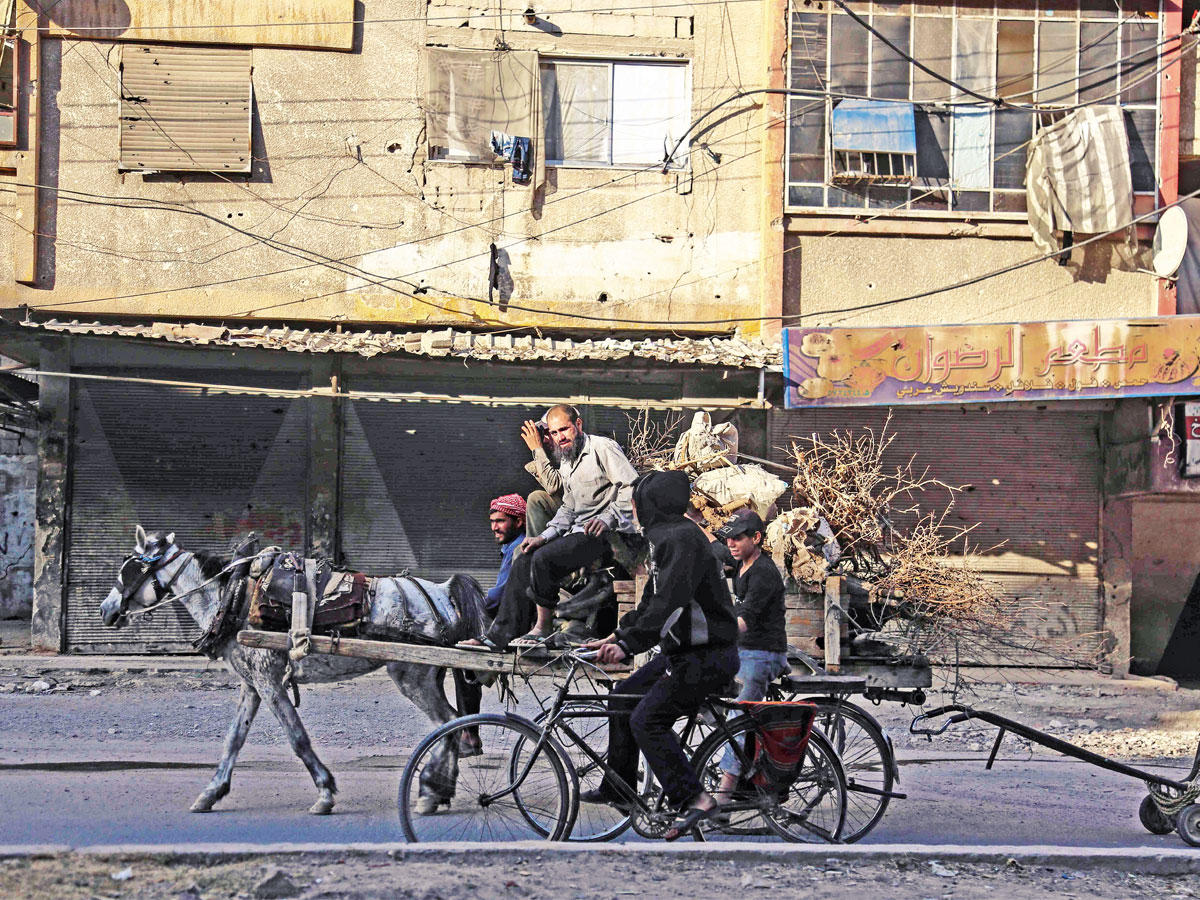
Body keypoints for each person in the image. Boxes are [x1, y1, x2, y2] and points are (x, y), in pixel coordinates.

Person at [581, 470, 740, 839]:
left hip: (706, 657)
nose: (632, 510)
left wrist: (626, 645)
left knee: (646, 721)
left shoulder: (680, 539)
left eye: (635, 503)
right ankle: (619, 788)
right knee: (621, 697)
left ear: (647, 506)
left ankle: (695, 799)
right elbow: (652, 600)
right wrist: (617, 633)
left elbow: (670, 605)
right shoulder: (667, 536)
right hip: (684, 655)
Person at [464, 404, 639, 649]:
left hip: (608, 536)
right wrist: (543, 537)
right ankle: (498, 637)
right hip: (579, 533)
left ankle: (542, 629)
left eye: (564, 430)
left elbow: (631, 486)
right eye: (554, 433)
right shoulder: (567, 460)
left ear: (578, 425)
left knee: (543, 559)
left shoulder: (603, 448)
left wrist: (607, 518)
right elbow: (568, 506)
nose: (560, 437)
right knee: (525, 556)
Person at [710, 509, 789, 805]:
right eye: (728, 538)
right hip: (743, 651)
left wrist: (708, 632)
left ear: (756, 538)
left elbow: (745, 621)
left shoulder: (764, 573)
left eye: (738, 538)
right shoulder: (740, 561)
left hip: (763, 655)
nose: (731, 543)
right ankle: (741, 762)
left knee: (737, 719)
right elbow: (711, 546)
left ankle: (724, 798)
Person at [519, 418, 563, 538]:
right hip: (564, 519)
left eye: (551, 433)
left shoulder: (573, 452)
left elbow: (553, 486)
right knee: (518, 551)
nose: (544, 440)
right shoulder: (554, 458)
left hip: (587, 519)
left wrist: (537, 449)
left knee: (537, 498)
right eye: (544, 434)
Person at [485, 494, 526, 617]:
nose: (494, 528)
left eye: (500, 521)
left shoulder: (517, 548)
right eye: (492, 522)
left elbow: (499, 596)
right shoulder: (509, 546)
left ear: (518, 522)